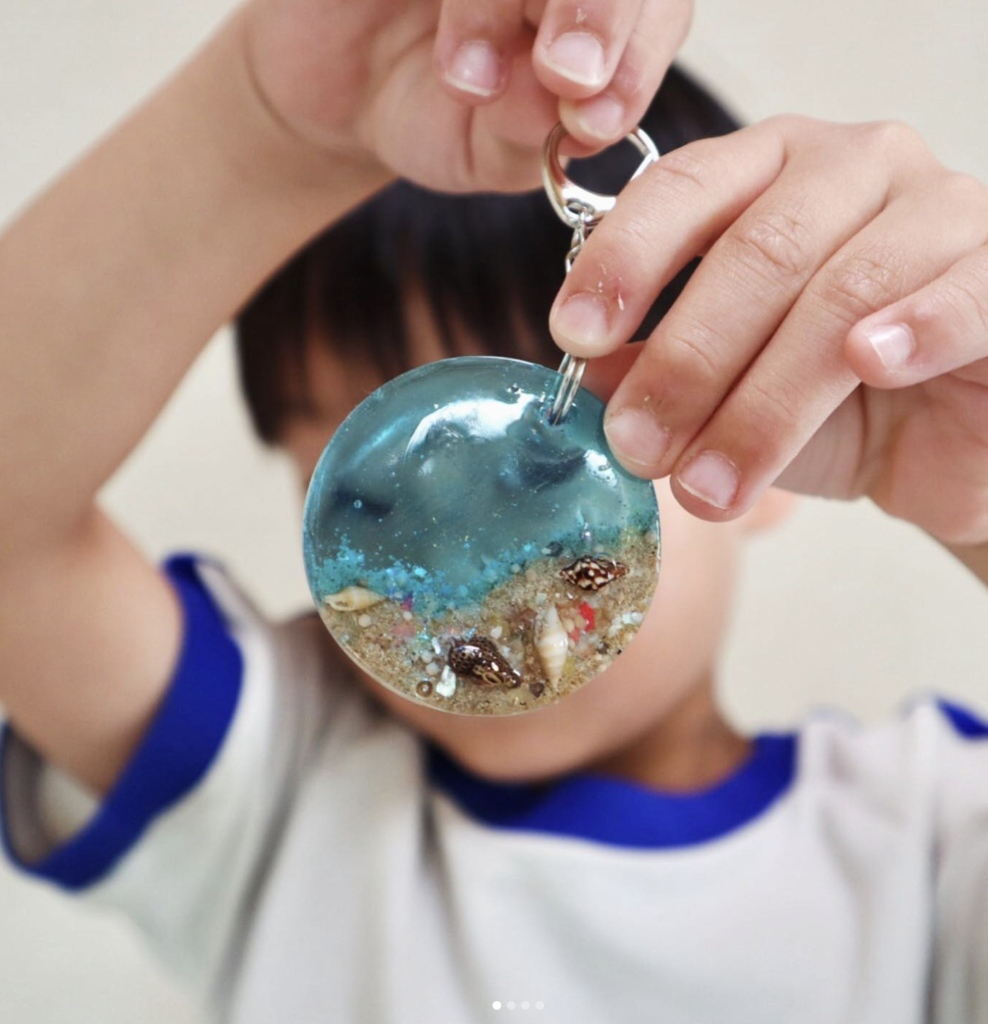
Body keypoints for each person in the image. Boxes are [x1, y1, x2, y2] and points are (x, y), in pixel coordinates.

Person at [1, 1, 987, 1022]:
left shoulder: (930, 842)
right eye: (371, 506)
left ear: (769, 435)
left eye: (541, 482)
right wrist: (259, 121)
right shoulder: (275, 781)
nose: (457, 575)